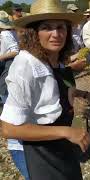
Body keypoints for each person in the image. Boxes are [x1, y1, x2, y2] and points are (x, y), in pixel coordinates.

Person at [0, 0, 90, 179]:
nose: (56, 34)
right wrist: (66, 131)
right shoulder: (25, 66)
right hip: (37, 151)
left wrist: (88, 95)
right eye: (47, 27)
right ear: (34, 32)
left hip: (59, 144)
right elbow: (8, 129)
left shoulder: (53, 59)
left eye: (61, 27)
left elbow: (54, 90)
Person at [0, 10, 30, 180]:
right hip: (6, 81)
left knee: (15, 121)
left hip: (6, 79)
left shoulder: (5, 35)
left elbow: (14, 50)